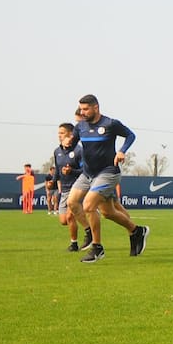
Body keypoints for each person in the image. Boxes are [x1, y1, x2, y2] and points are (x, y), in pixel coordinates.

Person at [73, 95, 148, 262]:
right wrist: (66, 143)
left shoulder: (110, 124)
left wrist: (122, 151)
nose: (82, 112)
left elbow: (130, 135)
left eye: (86, 109)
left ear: (96, 107)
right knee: (106, 212)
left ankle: (97, 248)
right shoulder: (80, 127)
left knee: (88, 206)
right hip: (88, 174)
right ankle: (137, 231)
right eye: (81, 109)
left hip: (108, 172)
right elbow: (73, 145)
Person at [54, 122, 93, 252]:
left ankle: (74, 243)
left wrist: (72, 171)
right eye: (58, 133)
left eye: (62, 133)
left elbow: (85, 170)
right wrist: (53, 183)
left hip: (76, 188)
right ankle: (87, 217)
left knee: (70, 216)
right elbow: (57, 170)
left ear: (70, 134)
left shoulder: (78, 150)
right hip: (64, 189)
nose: (59, 135)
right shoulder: (57, 151)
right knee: (64, 220)